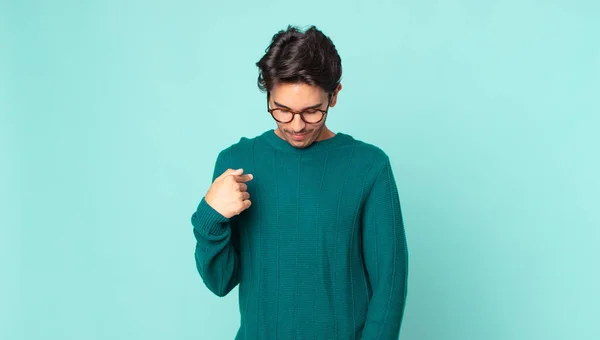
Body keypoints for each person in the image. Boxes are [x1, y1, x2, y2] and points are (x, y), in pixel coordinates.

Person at [191, 25, 409, 340]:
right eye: (282, 111)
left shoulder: (369, 167)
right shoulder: (235, 163)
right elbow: (220, 282)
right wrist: (210, 217)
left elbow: (390, 283)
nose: (296, 126)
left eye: (312, 112)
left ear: (334, 95)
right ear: (268, 94)